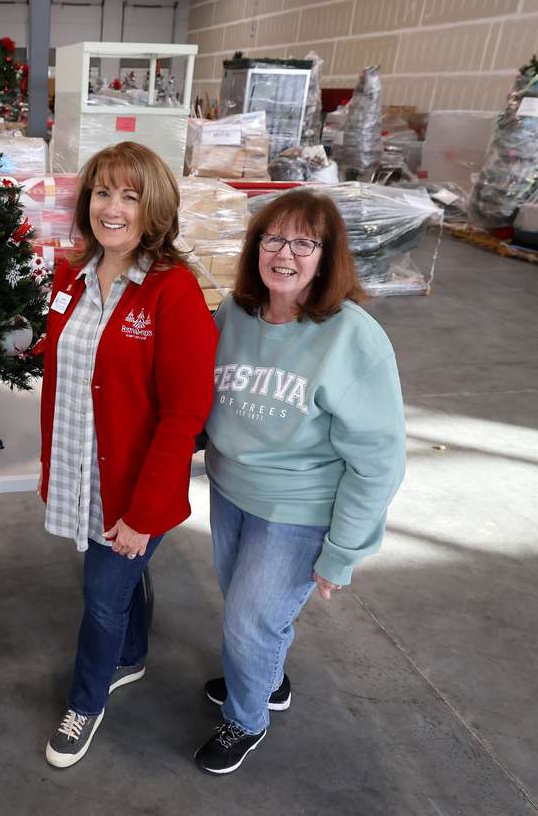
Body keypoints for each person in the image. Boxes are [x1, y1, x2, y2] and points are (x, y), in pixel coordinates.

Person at [196, 190, 406, 774]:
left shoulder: (352, 337)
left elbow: (379, 457)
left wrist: (343, 552)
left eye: (303, 243)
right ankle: (268, 678)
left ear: (327, 255)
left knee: (248, 621)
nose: (284, 254)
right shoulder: (234, 314)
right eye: (272, 238)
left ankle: (245, 720)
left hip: (299, 507)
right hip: (230, 489)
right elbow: (203, 398)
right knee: (249, 613)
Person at [38, 142, 218, 768]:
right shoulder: (72, 275)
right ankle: (133, 656)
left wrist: (142, 515)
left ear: (155, 208)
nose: (112, 209)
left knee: (102, 596)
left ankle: (85, 703)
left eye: (130, 196)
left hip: (139, 488)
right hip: (83, 471)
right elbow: (68, 373)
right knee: (121, 580)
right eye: (102, 192)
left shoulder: (174, 291)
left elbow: (184, 414)